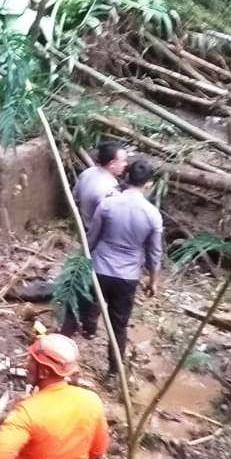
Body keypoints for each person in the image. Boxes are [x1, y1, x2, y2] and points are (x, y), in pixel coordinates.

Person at [81, 158, 163, 375]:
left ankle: (88, 329)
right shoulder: (153, 215)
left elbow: (92, 238)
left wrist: (83, 261)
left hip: (100, 266)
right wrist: (153, 281)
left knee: (92, 301)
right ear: (148, 185)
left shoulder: (108, 204)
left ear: (126, 178)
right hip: (127, 276)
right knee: (119, 324)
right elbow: (154, 253)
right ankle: (114, 369)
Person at [61, 141, 128, 338]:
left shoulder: (87, 174)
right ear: (112, 163)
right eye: (123, 161)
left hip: (84, 230)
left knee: (84, 279)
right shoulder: (110, 189)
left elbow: (74, 198)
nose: (126, 165)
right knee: (93, 285)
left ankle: (77, 323)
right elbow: (110, 220)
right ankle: (84, 325)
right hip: (99, 240)